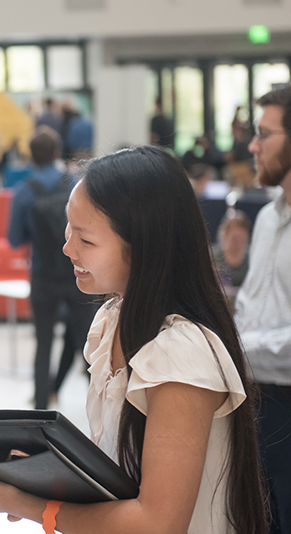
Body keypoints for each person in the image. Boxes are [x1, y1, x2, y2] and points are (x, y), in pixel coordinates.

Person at [0, 146, 267, 534]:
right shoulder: (112, 320)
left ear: (144, 246)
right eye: (68, 229)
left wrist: (37, 507)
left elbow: (159, 522)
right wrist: (45, 474)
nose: (67, 248)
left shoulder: (181, 354)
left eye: (86, 240)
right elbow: (119, 466)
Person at [7, 127, 97, 409]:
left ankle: (41, 409)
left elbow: (13, 240)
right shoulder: (75, 185)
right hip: (78, 272)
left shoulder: (23, 192)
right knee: (89, 341)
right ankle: (100, 403)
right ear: (58, 152)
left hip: (43, 274)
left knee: (43, 342)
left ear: (31, 156)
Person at [236, 84, 291, 534]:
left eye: (264, 134)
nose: (252, 145)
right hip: (256, 399)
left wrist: (231, 345)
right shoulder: (269, 216)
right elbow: (256, 306)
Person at [213, 209, 251, 307]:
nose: (237, 242)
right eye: (234, 238)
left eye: (241, 238)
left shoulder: (252, 259)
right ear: (225, 235)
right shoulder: (213, 257)